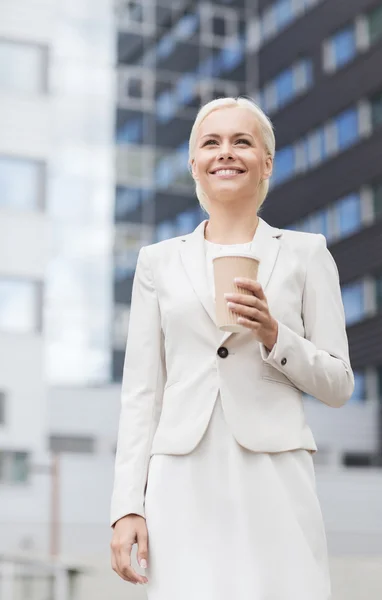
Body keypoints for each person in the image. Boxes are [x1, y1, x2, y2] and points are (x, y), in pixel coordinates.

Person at [110, 96, 354, 599]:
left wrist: (274, 335)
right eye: (211, 142)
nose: (226, 152)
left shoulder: (307, 254)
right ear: (194, 164)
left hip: (274, 473)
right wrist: (126, 505)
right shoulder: (157, 262)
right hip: (180, 475)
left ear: (266, 161)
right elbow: (140, 393)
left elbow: (338, 384)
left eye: (242, 141)